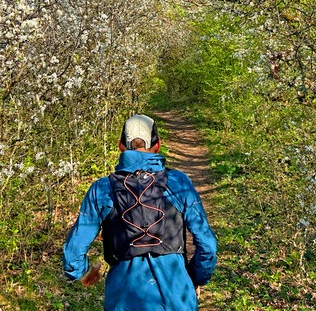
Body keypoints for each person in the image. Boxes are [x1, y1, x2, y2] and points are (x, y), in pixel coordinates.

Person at [63, 114, 217, 310]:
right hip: (177, 298)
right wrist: (195, 277)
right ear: (157, 145)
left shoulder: (101, 189)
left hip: (124, 300)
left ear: (121, 146)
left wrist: (84, 272)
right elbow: (208, 245)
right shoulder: (178, 183)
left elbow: (73, 254)